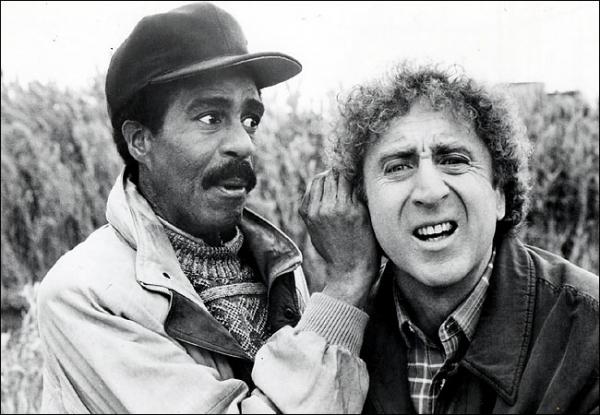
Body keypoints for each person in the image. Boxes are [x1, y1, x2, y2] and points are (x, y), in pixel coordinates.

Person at [37, 3, 375, 413]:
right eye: (211, 117)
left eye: (250, 119)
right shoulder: (84, 292)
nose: (244, 144)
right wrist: (344, 286)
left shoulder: (276, 264)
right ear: (140, 141)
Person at [300, 62, 599, 414]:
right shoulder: (342, 327)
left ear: (499, 194)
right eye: (398, 166)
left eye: (454, 160)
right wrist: (347, 284)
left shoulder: (588, 333)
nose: (429, 191)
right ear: (362, 204)